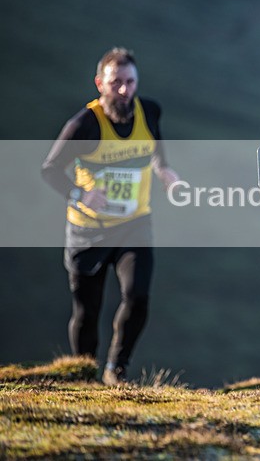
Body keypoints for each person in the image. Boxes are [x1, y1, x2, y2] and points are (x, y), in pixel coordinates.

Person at [42, 47, 179, 386]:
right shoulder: (84, 124)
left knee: (138, 297)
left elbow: (156, 151)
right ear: (99, 83)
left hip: (134, 224)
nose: (124, 90)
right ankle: (84, 376)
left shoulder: (149, 111)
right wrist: (81, 194)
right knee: (87, 312)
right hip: (89, 230)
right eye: (116, 82)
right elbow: (50, 169)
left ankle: (116, 369)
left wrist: (166, 174)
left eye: (130, 82)